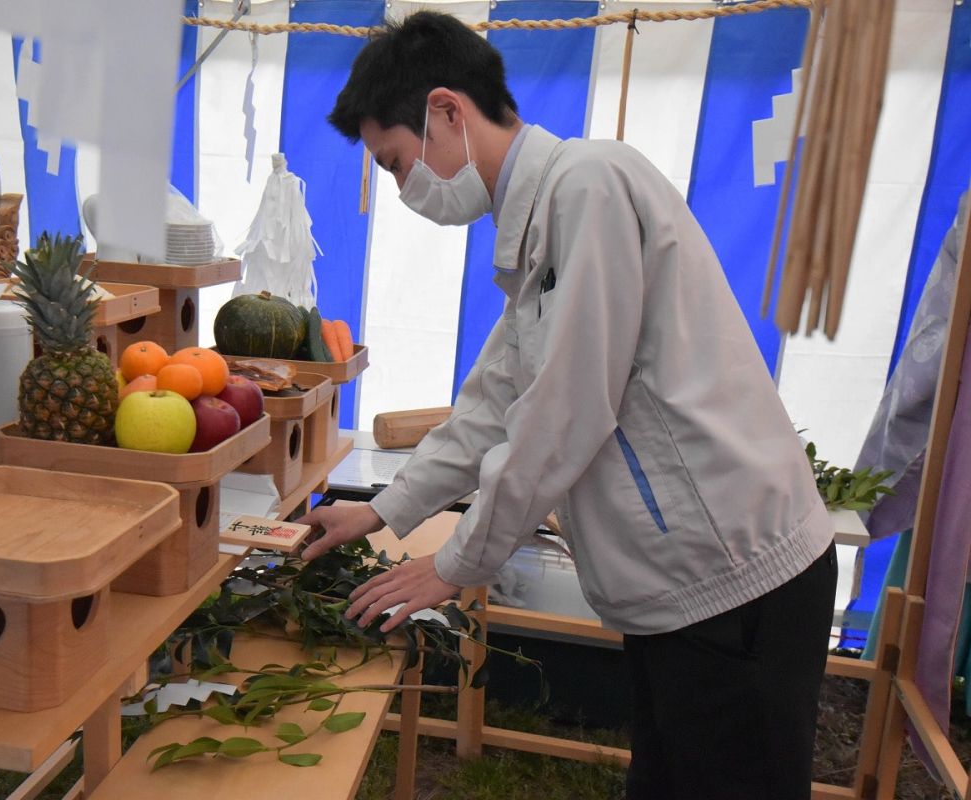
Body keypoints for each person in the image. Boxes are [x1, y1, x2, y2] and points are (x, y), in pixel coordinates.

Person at [296, 11, 837, 800]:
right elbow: (492, 404)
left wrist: (456, 564)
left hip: (736, 578)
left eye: (395, 162)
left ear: (447, 110)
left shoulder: (588, 189)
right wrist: (381, 511)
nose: (403, 187)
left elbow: (566, 410)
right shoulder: (539, 224)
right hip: (685, 588)